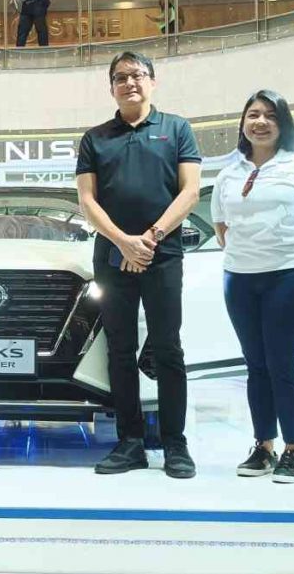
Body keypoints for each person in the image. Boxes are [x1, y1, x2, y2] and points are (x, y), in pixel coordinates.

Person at [76, 51, 202, 477]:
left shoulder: (176, 129)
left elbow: (189, 193)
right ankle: (129, 443)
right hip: (112, 255)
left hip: (162, 253)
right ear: (111, 87)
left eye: (137, 75)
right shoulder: (95, 138)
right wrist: (124, 242)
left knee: (168, 347)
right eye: (120, 77)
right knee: (120, 350)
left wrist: (149, 239)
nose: (130, 83)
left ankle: (175, 444)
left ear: (152, 81)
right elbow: (87, 200)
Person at [211, 90, 294, 483]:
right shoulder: (229, 173)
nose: (260, 121)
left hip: (288, 275)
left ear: (283, 123)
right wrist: (248, 256)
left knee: (282, 363)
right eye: (253, 114)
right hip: (240, 279)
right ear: (243, 122)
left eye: (270, 115)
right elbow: (221, 227)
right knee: (255, 365)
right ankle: (263, 446)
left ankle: (293, 450)